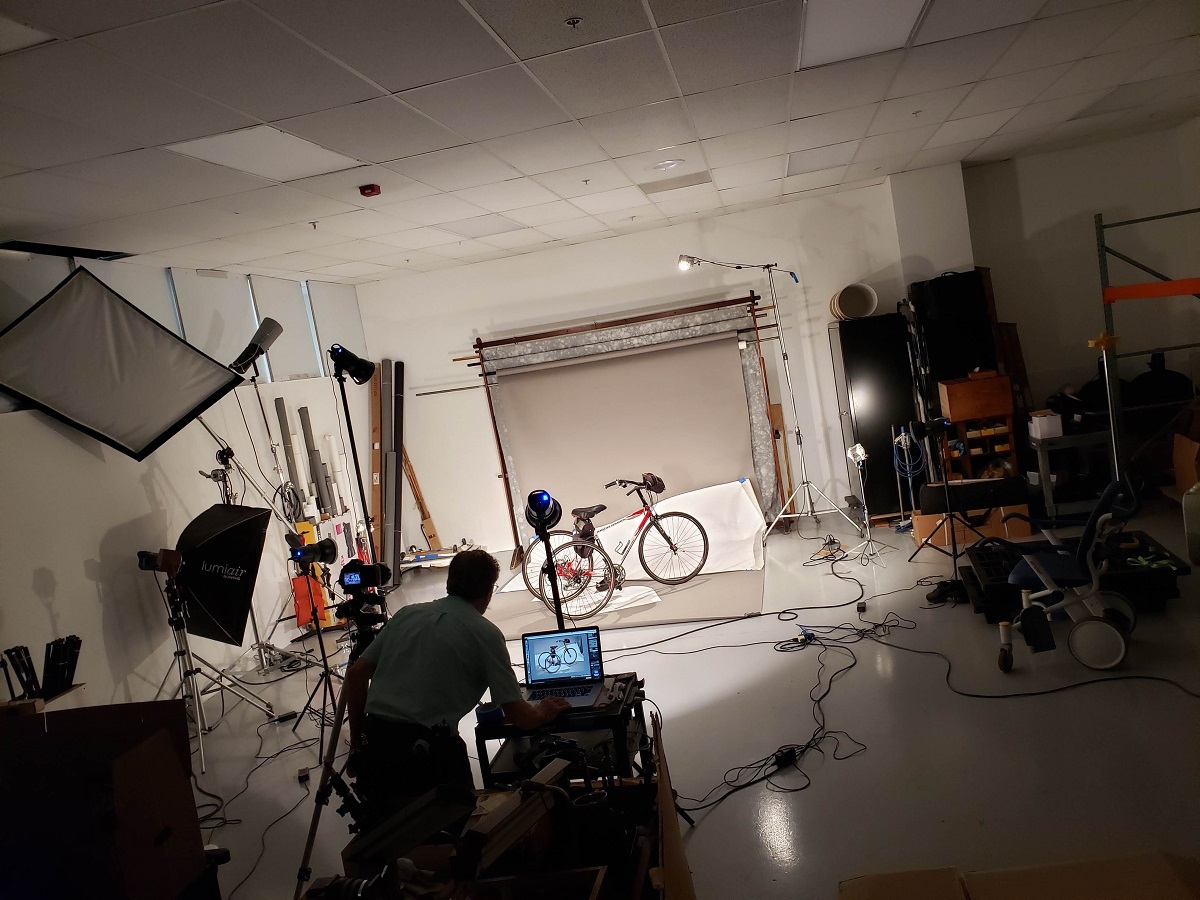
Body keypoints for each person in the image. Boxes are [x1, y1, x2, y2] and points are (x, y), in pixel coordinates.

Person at [343, 549, 569, 816]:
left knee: (385, 827)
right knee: (457, 825)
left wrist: (357, 742)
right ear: (489, 591)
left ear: (450, 582)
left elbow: (356, 675)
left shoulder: (406, 615)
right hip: (426, 756)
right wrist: (542, 711)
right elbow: (519, 716)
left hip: (376, 744)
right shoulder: (486, 634)